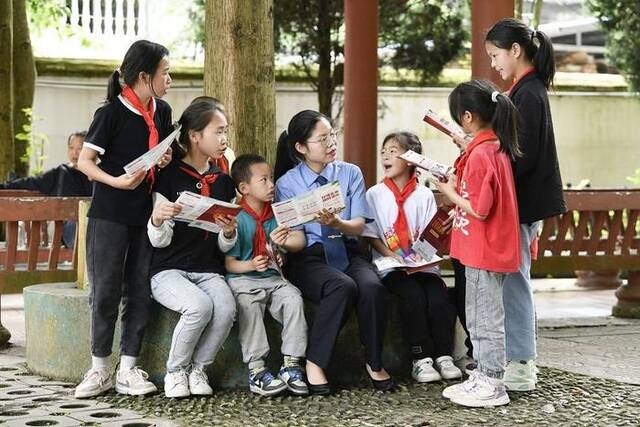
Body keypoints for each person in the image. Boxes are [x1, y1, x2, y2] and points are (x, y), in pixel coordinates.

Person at [74, 40, 174, 398]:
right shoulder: (111, 113)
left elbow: (160, 151)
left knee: (139, 289)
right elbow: (84, 162)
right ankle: (99, 368)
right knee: (106, 291)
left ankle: (128, 368)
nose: (170, 79)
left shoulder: (161, 111)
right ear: (144, 76)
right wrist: (116, 181)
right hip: (111, 214)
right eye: (166, 73)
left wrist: (161, 160)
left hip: (146, 215)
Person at [274, 110, 394, 395]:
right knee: (341, 286)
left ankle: (374, 362)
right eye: (322, 139)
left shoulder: (349, 173)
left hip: (348, 248)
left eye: (332, 135)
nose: (331, 143)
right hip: (310, 257)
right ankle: (315, 362)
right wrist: (282, 240)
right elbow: (297, 238)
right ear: (301, 148)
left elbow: (359, 224)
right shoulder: (286, 184)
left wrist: (336, 223)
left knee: (372, 286)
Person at [485, 18, 566, 391]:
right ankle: (515, 357)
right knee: (514, 281)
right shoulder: (525, 91)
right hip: (517, 205)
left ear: (515, 50)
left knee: (515, 283)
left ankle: (521, 363)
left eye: (495, 55)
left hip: (518, 206)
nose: (494, 64)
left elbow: (522, 156)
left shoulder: (528, 94)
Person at [435, 79, 521, 407]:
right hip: (487, 247)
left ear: (467, 117)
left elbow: (479, 209)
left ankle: (490, 381)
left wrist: (449, 192)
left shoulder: (482, 153)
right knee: (482, 313)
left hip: (484, 249)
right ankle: (485, 376)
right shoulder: (493, 147)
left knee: (483, 316)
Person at [147, 99, 238, 398]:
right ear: (195, 136)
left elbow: (225, 245)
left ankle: (198, 369)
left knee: (225, 308)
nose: (224, 139)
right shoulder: (168, 174)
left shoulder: (224, 181)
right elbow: (157, 240)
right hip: (168, 269)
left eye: (226, 131)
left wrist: (227, 232)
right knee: (199, 307)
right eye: (218, 131)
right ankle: (175, 371)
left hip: (208, 269)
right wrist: (158, 220)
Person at [362, 132, 461, 384]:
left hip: (422, 265)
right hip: (391, 266)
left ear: (411, 159)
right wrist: (391, 255)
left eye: (393, 151)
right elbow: (371, 235)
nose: (385, 155)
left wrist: (423, 254)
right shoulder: (374, 194)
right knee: (412, 297)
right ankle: (421, 358)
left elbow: (428, 235)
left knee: (438, 298)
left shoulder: (423, 195)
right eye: (384, 151)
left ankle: (443, 355)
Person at [225, 154, 308, 397]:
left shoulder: (278, 213)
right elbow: (230, 265)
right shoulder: (235, 217)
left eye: (271, 178)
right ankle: (257, 369)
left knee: (293, 298)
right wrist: (251, 264)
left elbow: (296, 242)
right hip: (243, 279)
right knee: (248, 304)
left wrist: (281, 255)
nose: (272, 184)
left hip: (273, 278)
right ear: (244, 188)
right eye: (264, 180)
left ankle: (291, 365)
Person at [0, 131, 93, 248]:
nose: (75, 153)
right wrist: (4, 186)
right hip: (73, 231)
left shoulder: (98, 175)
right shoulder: (60, 173)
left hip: (93, 227)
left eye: (80, 148)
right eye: (71, 148)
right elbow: (30, 182)